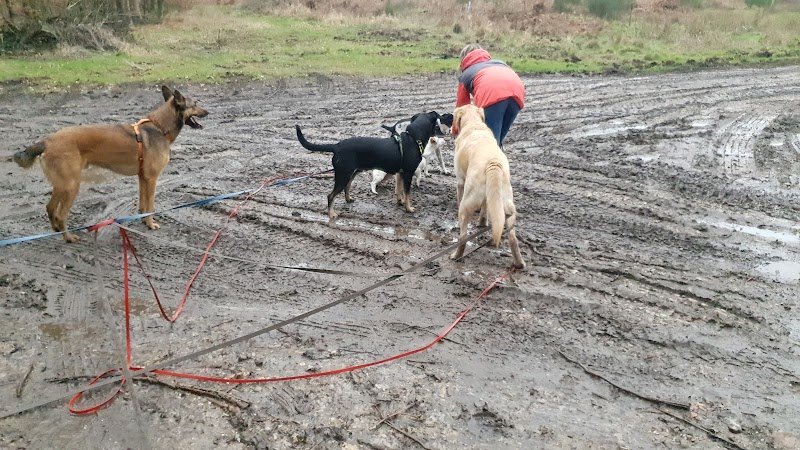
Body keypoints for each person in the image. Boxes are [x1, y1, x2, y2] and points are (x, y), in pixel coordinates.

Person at [453, 44, 525, 148]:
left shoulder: (466, 74)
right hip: (517, 92)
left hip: (492, 95)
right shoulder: (498, 63)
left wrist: (455, 129)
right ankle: (498, 162)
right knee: (497, 141)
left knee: (489, 144)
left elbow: (462, 108)